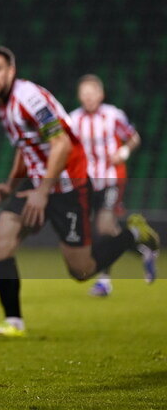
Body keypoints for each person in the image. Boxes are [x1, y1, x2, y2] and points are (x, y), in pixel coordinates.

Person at [0, 45, 160, 337]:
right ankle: (13, 322)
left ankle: (132, 235)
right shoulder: (4, 105)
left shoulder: (28, 98)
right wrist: (11, 185)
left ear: (11, 71)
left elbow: (61, 143)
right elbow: (27, 147)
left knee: (81, 270)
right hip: (40, 181)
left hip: (67, 186)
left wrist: (43, 191)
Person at [69, 74, 157, 296]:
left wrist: (123, 152)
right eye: (84, 93)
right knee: (101, 231)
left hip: (110, 180)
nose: (88, 97)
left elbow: (133, 138)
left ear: (101, 94)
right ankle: (142, 248)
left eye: (92, 93)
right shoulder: (73, 120)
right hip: (87, 184)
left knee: (103, 227)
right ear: (79, 96)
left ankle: (104, 282)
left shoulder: (113, 115)